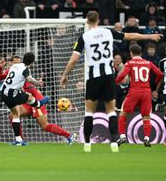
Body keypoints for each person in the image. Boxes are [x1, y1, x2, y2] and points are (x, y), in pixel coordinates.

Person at [60, 11, 163, 153]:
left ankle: (87, 144)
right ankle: (114, 144)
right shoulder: (108, 33)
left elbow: (74, 59)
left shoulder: (84, 37)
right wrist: (150, 36)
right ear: (98, 20)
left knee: (89, 112)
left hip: (93, 77)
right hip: (109, 76)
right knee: (111, 111)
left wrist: (65, 74)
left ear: (87, 21)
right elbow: (131, 36)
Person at [0, 56, 76, 144]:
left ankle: (69, 136)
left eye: (18, 62)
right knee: (13, 115)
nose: (16, 64)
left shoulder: (24, 71)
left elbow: (31, 88)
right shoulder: (11, 71)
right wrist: (0, 68)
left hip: (35, 99)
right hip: (26, 101)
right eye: (14, 62)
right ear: (11, 63)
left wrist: (35, 85)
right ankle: (20, 140)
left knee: (44, 126)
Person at [115, 45, 163, 147]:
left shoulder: (130, 63)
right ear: (141, 53)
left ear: (131, 53)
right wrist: (155, 85)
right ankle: (146, 138)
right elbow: (160, 74)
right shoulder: (148, 63)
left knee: (123, 114)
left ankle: (123, 136)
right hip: (146, 92)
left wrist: (115, 83)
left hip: (134, 91)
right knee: (146, 116)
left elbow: (123, 75)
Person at [0, 52, 49, 146]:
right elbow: (29, 79)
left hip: (3, 92)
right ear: (32, 62)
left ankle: (18, 140)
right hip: (12, 94)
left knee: (15, 114)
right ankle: (38, 104)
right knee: (29, 97)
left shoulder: (15, 65)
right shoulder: (26, 70)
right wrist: (38, 83)